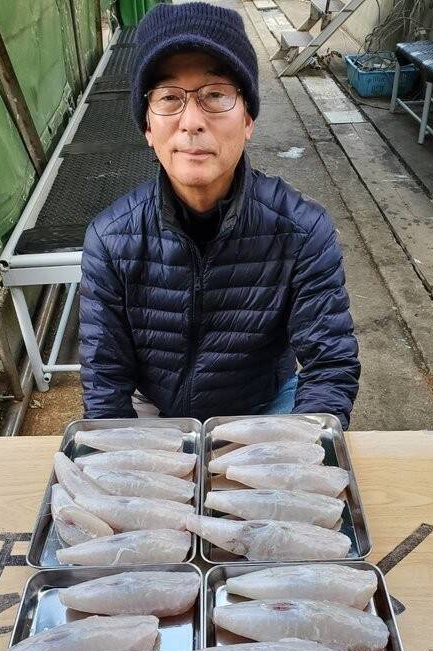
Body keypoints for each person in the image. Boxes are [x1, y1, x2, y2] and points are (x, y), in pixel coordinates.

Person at [79, 1, 360, 425]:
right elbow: (105, 381)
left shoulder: (303, 232)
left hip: (265, 406)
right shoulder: (110, 239)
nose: (191, 121)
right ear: (147, 128)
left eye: (215, 95)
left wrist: (299, 452)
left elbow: (329, 367)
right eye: (170, 97)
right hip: (155, 409)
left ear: (247, 118)